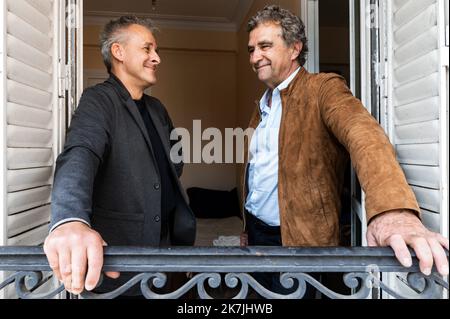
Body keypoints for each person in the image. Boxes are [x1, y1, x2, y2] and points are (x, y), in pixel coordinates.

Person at [241, 5, 449, 296]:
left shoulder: (323, 88)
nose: (254, 57)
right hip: (256, 234)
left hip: (302, 242)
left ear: (294, 49)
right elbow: (258, 173)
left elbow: (364, 134)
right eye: (251, 49)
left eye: (264, 46)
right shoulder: (262, 106)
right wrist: (248, 227)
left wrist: (392, 210)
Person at [43, 16, 196, 296]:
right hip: (120, 266)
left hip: (168, 252)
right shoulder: (98, 100)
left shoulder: (157, 108)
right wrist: (70, 220)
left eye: (156, 50)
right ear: (119, 52)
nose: (157, 58)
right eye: (147, 49)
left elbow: (174, 162)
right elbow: (80, 154)